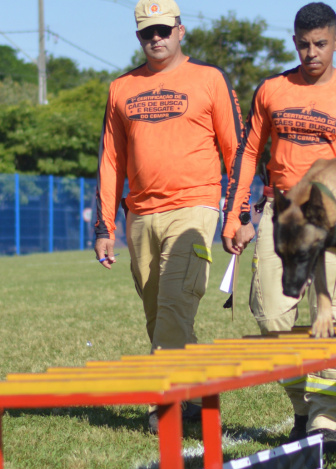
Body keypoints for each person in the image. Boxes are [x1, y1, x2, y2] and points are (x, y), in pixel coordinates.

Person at [222, 2, 336, 455]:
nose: (311, 52)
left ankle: (323, 424)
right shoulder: (272, 89)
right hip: (282, 218)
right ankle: (301, 408)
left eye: (320, 44)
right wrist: (237, 217)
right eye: (303, 44)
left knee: (331, 321)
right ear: (293, 42)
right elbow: (247, 153)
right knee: (270, 314)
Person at [94, 0, 244, 433]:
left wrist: (238, 212)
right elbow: (111, 159)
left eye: (163, 30)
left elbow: (237, 151)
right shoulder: (121, 87)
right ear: (138, 37)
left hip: (195, 207)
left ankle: (166, 402)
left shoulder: (210, 79)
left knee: (176, 304)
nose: (155, 38)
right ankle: (195, 395)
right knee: (159, 315)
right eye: (147, 32)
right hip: (140, 215)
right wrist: (104, 225)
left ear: (181, 31)